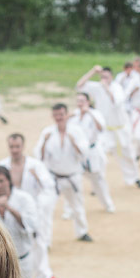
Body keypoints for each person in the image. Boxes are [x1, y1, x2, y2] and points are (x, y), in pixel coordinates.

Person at [0, 133, 58, 278]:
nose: (15, 150)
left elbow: (49, 186)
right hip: (10, 208)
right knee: (8, 241)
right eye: (12, 147)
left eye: (17, 146)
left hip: (32, 208)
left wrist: (37, 178)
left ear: (23, 146)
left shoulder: (35, 165)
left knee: (39, 240)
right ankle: (9, 277)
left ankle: (44, 273)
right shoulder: (3, 166)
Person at [76, 64, 140, 189]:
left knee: (128, 155)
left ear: (111, 77)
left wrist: (106, 88)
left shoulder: (117, 88)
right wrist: (92, 71)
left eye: (106, 77)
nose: (104, 79)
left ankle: (134, 178)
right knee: (100, 157)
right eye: (102, 77)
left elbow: (117, 102)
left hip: (120, 129)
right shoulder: (97, 87)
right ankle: (97, 184)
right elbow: (79, 85)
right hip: (104, 131)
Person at [35, 103, 93, 243]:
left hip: (72, 176)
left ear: (67, 115)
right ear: (52, 116)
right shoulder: (47, 133)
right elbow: (39, 156)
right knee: (47, 208)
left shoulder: (76, 131)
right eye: (56, 115)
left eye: (61, 114)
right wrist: (44, 143)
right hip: (54, 177)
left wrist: (74, 143)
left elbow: (85, 154)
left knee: (77, 206)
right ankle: (45, 240)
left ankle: (82, 232)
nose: (59, 117)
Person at [69, 92, 115, 212]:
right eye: (78, 101)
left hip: (92, 152)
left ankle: (108, 204)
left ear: (88, 102)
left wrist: (89, 112)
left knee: (98, 180)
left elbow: (101, 128)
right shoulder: (73, 115)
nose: (80, 104)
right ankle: (70, 210)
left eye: (83, 101)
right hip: (77, 154)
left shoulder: (95, 114)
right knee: (72, 181)